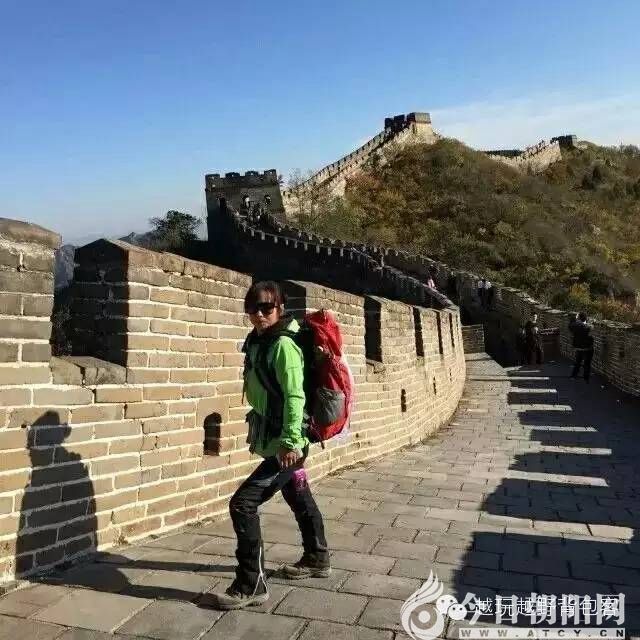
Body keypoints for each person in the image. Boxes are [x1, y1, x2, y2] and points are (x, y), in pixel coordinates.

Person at [211, 281, 330, 610]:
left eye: (266, 308)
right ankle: (317, 557)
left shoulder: (282, 346)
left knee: (242, 504)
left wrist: (291, 442)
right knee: (297, 492)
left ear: (280, 308)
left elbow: (294, 396)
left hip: (287, 443)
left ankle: (251, 583)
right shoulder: (258, 340)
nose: (259, 314)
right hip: (280, 438)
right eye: (252, 308)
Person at [569, 312, 594, 382]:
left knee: (577, 362)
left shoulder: (575, 325)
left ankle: (574, 375)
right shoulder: (587, 326)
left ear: (579, 318)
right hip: (587, 348)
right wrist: (590, 323)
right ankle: (586, 377)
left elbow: (570, 325)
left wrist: (575, 318)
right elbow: (590, 332)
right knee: (587, 363)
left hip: (579, 347)